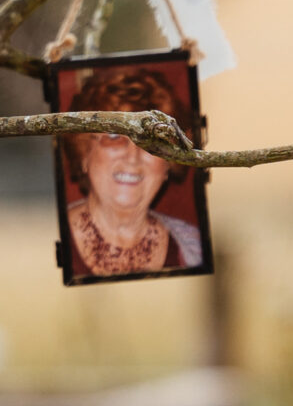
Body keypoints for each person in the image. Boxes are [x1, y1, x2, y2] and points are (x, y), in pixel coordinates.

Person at [60, 65, 202, 276]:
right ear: (84, 153)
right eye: (115, 137)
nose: (132, 156)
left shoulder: (193, 248)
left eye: (152, 141)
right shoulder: (46, 237)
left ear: (169, 164)